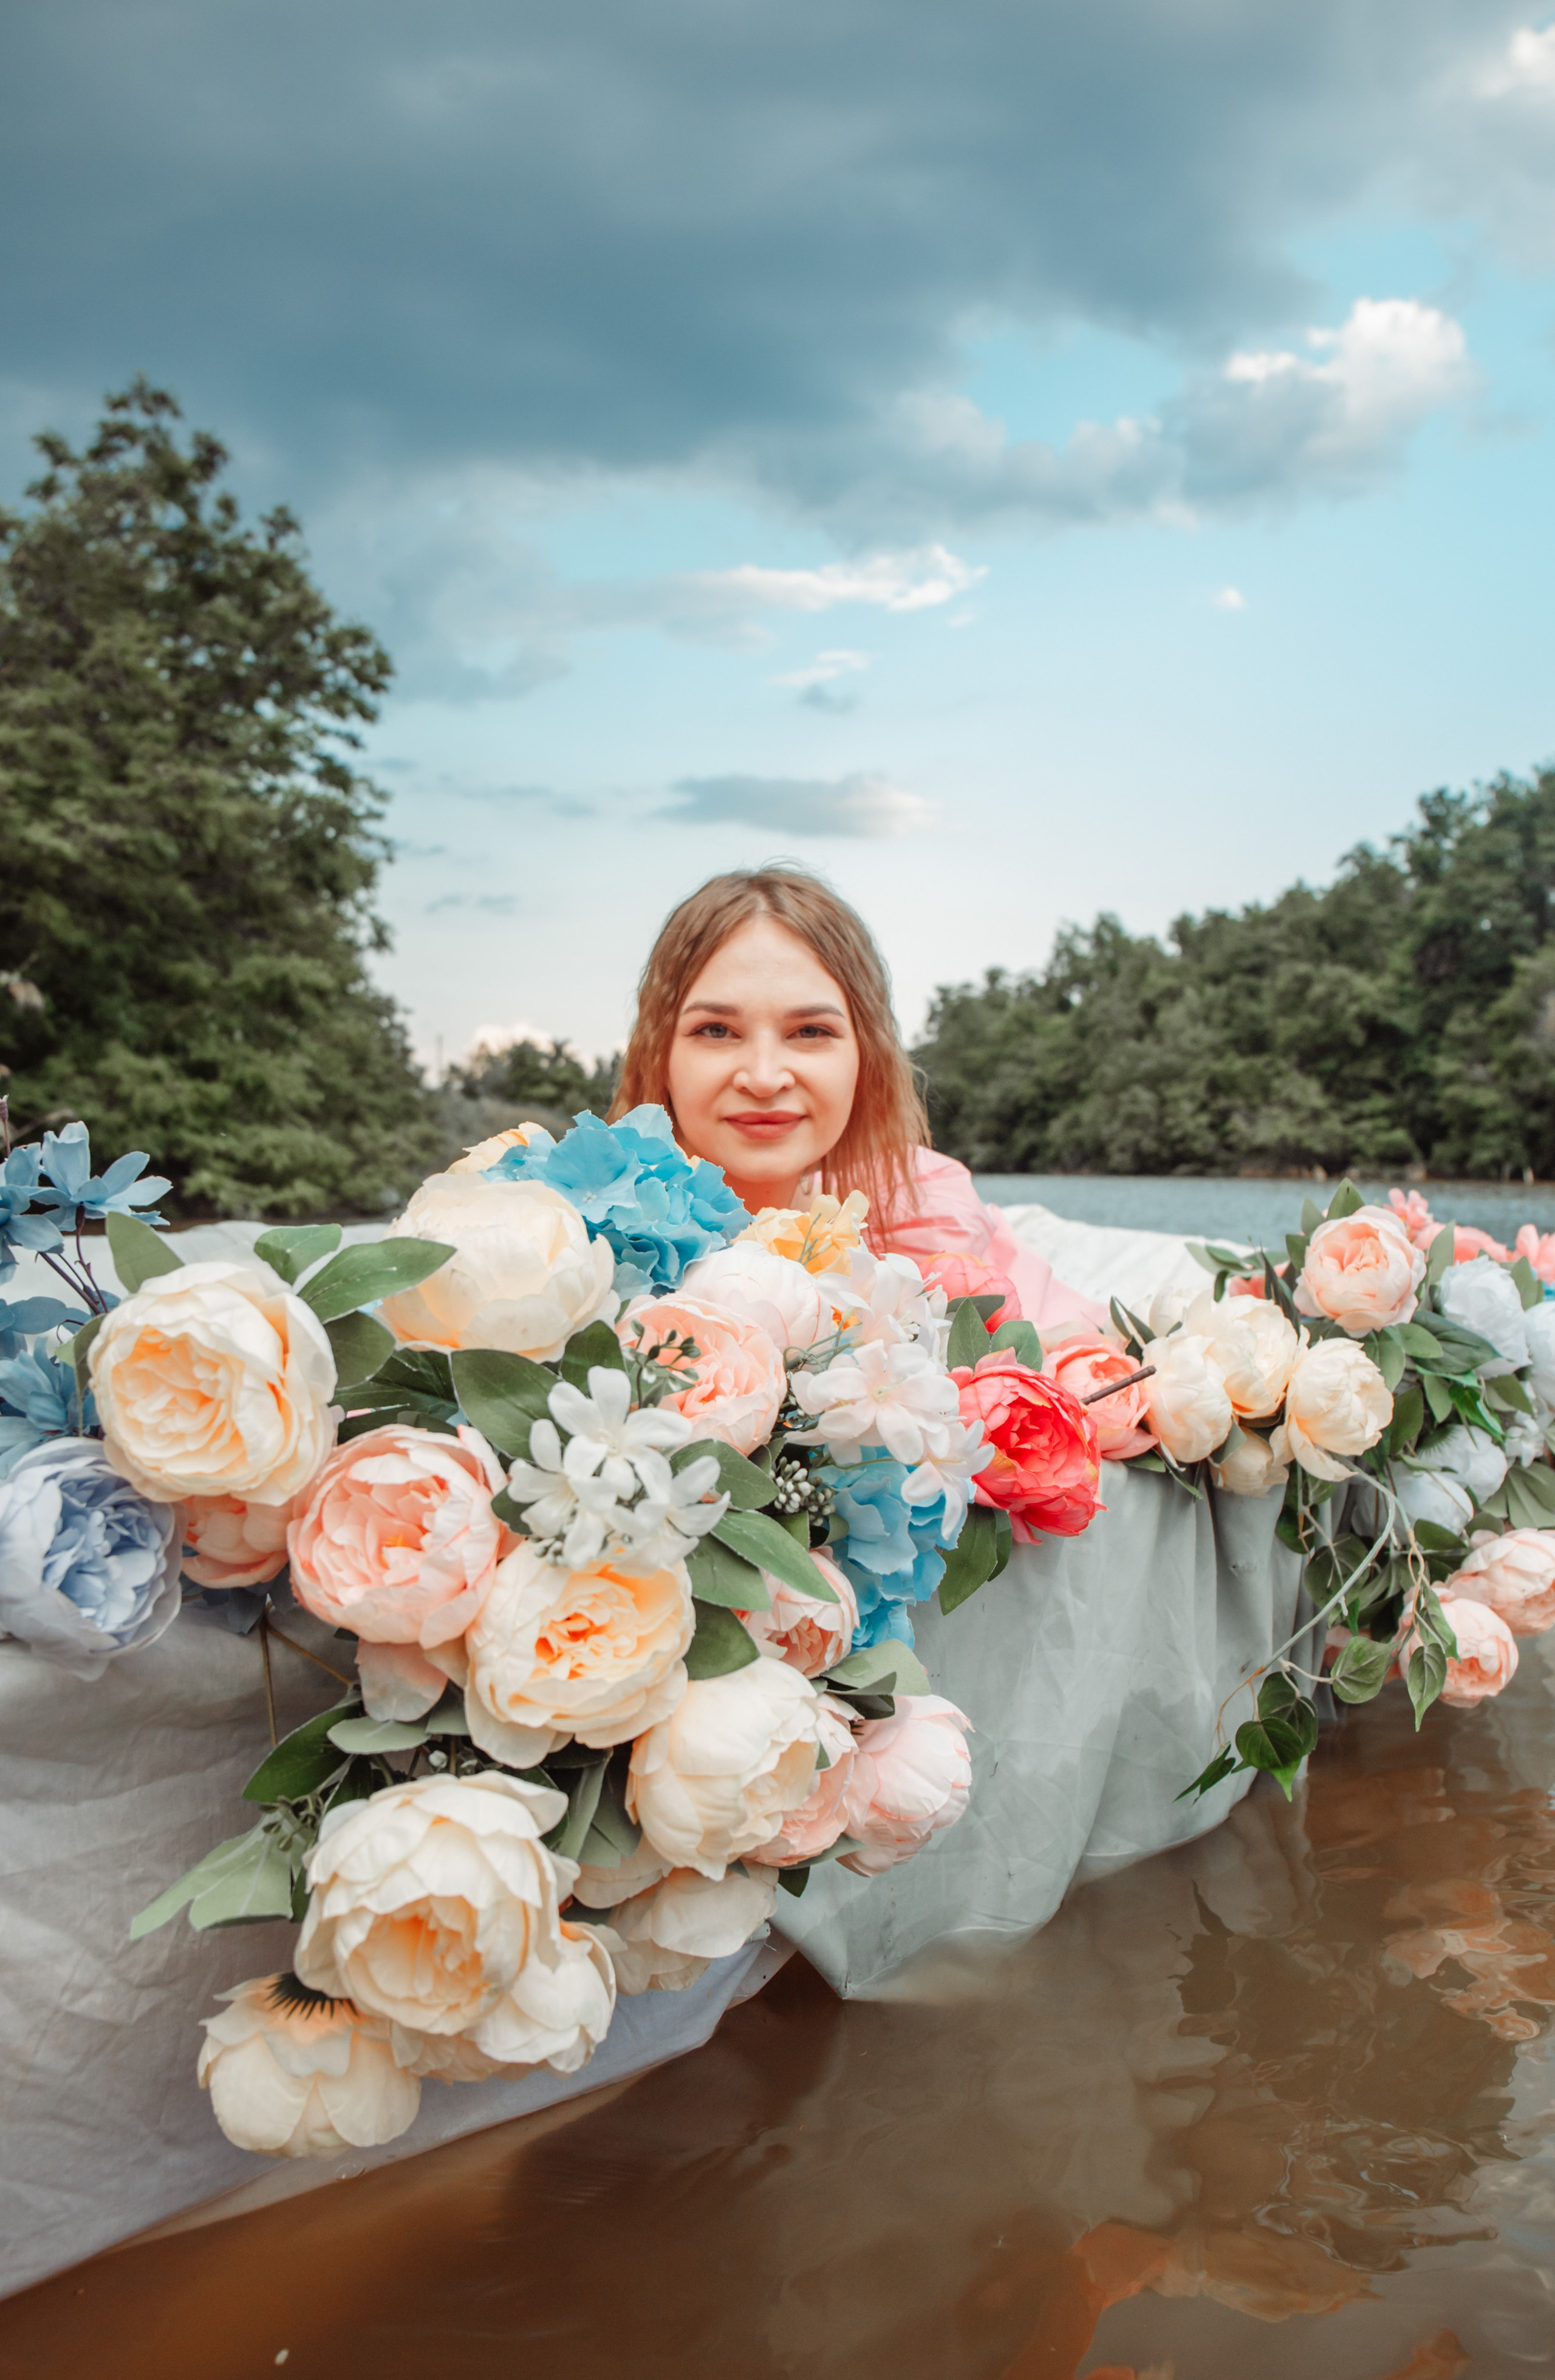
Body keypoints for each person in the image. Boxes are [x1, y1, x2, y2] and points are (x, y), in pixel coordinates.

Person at [610, 864, 1101, 1333]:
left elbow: (1091, 1354)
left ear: (866, 1057)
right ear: (660, 1053)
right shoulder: (577, 1246)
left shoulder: (924, 1221)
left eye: (810, 1031)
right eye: (716, 1030)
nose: (763, 1078)